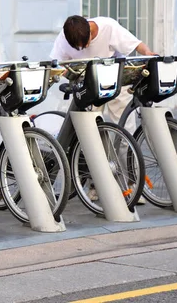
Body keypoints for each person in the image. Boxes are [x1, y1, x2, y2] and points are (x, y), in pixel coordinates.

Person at [50, 15, 156, 204]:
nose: (81, 49)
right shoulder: (64, 38)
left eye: (84, 44)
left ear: (91, 32)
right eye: (77, 48)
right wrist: (65, 75)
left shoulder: (107, 26)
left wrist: (149, 54)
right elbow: (58, 65)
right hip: (89, 86)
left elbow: (136, 44)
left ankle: (133, 183)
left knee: (125, 134)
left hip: (117, 81)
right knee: (90, 136)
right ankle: (95, 184)